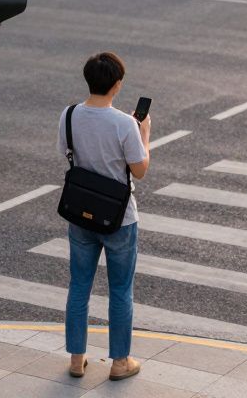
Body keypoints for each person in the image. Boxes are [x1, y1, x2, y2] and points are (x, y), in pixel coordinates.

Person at [60, 51, 151, 381]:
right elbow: (139, 170)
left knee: (79, 286)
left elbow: (66, 154)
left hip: (79, 214)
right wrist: (145, 134)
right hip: (119, 219)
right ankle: (119, 362)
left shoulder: (69, 115)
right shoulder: (126, 124)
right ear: (117, 85)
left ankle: (76, 358)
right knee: (121, 290)